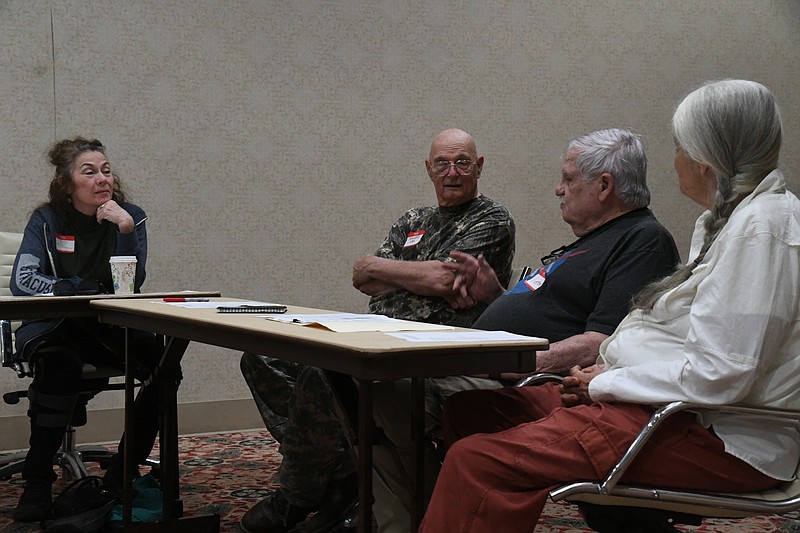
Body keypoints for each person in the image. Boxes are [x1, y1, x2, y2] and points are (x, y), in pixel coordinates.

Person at [419, 79, 800, 533]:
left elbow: (722, 372)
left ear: (704, 159)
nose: (674, 160)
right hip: (662, 407)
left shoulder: (761, 229)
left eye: (679, 147)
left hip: (712, 435)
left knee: (478, 462)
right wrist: (611, 376)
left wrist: (610, 381)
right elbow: (701, 344)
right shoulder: (728, 221)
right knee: (472, 413)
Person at [370, 128, 681, 532]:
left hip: (530, 381)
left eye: (569, 179)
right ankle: (430, 510)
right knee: (366, 389)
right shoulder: (591, 241)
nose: (558, 189)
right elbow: (551, 309)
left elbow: (602, 341)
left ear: (605, 186)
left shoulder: (642, 240)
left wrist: (513, 360)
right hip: (496, 369)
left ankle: (424, 514)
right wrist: (494, 295)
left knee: (387, 391)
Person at [238, 128, 516, 533]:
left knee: (324, 375)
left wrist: (391, 272)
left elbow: (443, 278)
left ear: (479, 167)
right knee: (263, 357)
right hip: (374, 333)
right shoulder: (413, 220)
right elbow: (362, 275)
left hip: (432, 353)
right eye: (442, 163)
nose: (452, 172)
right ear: (428, 168)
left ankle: (297, 495)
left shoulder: (492, 219)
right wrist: (401, 273)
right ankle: (342, 473)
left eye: (462, 162)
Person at [10, 137, 164, 522]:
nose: (102, 179)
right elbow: (23, 279)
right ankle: (37, 479)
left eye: (107, 171)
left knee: (165, 369)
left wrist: (125, 229)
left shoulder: (131, 216)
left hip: (108, 326)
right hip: (55, 326)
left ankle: (122, 472)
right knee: (59, 367)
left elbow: (128, 287)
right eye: (89, 172)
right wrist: (71, 287)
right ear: (66, 184)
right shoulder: (46, 220)